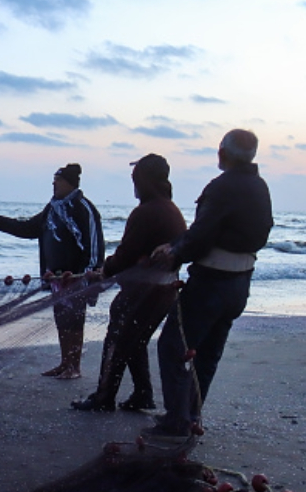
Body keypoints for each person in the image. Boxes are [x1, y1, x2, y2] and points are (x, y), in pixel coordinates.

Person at [146, 129, 273, 439]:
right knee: (208, 354)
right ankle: (190, 415)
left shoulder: (222, 187)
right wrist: (180, 245)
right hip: (241, 283)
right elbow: (261, 231)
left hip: (212, 283)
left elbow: (202, 234)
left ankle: (177, 421)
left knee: (173, 346)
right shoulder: (259, 187)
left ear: (223, 153)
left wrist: (174, 251)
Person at [71, 154, 187, 412]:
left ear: (147, 180)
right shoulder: (169, 208)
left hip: (145, 292)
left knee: (118, 338)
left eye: (136, 179)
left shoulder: (146, 212)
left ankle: (103, 397)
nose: (133, 184)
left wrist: (104, 270)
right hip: (165, 289)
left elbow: (126, 255)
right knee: (136, 340)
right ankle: (142, 393)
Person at [0, 164, 104, 379]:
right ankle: (64, 362)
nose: (53, 184)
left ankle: (74, 367)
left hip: (76, 277)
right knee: (61, 318)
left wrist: (89, 273)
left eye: (57, 180)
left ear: (69, 183)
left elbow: (94, 244)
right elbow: (31, 228)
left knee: (75, 321)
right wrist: (2, 223)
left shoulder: (83, 208)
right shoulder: (52, 208)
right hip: (56, 276)